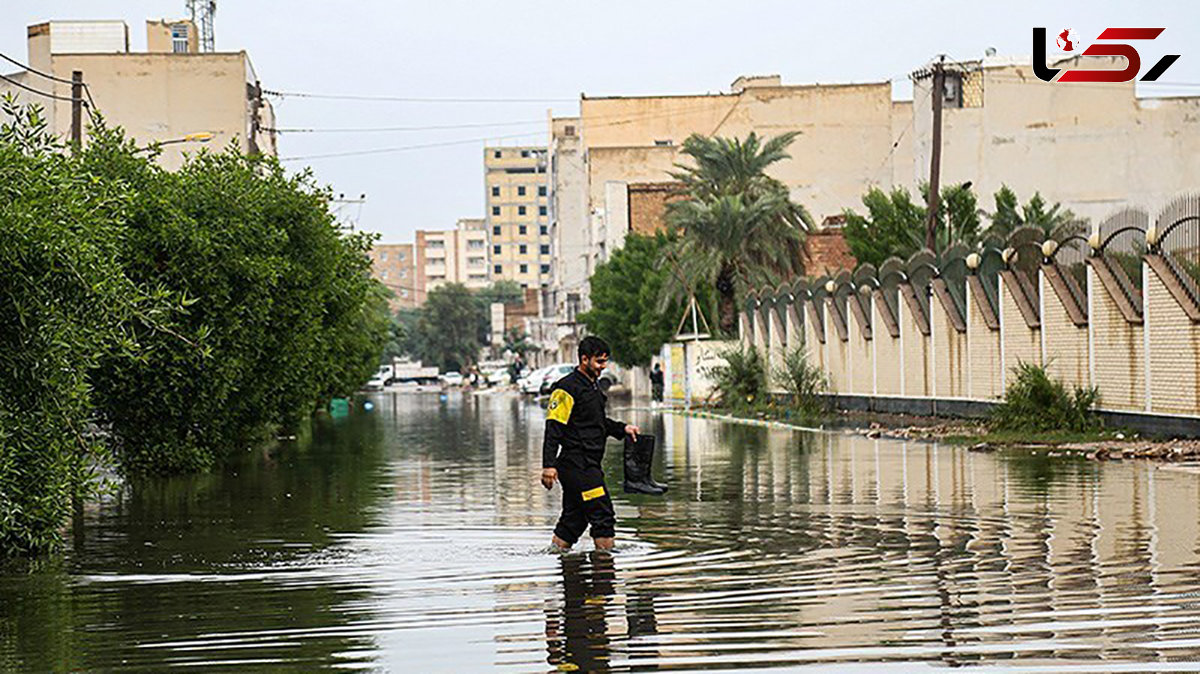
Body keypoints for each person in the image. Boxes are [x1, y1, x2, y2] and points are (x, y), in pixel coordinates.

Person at [540, 336, 639, 551]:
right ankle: (604, 573)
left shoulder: (592, 386)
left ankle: (561, 563)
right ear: (584, 359)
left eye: (605, 362)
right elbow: (553, 428)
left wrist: (623, 429)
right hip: (578, 466)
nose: (603, 367)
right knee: (602, 514)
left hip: (587, 465)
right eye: (599, 362)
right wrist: (548, 465)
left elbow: (597, 423)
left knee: (574, 520)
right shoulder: (566, 388)